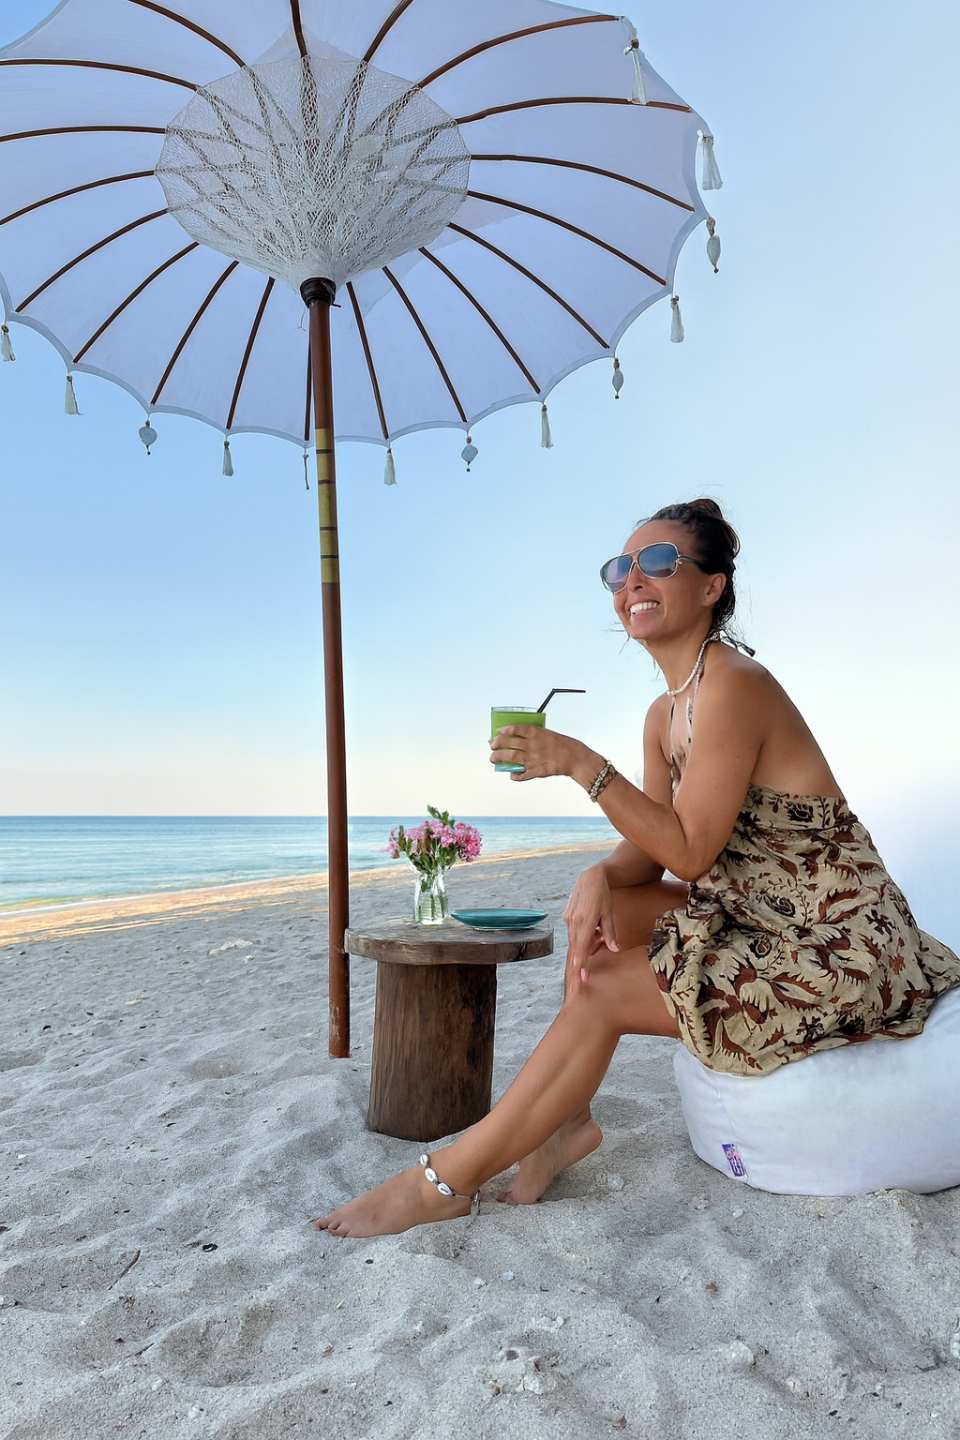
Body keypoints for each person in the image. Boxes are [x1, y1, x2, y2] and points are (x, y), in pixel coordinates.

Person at [315, 498, 960, 1238]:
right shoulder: (663, 714)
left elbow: (691, 854)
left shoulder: (735, 685)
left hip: (835, 939)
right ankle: (567, 1121)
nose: (632, 581)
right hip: (756, 911)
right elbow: (654, 847)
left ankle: (444, 1182)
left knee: (602, 990)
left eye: (657, 562)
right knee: (605, 912)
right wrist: (599, 873)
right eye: (620, 568)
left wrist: (581, 764)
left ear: (711, 587)